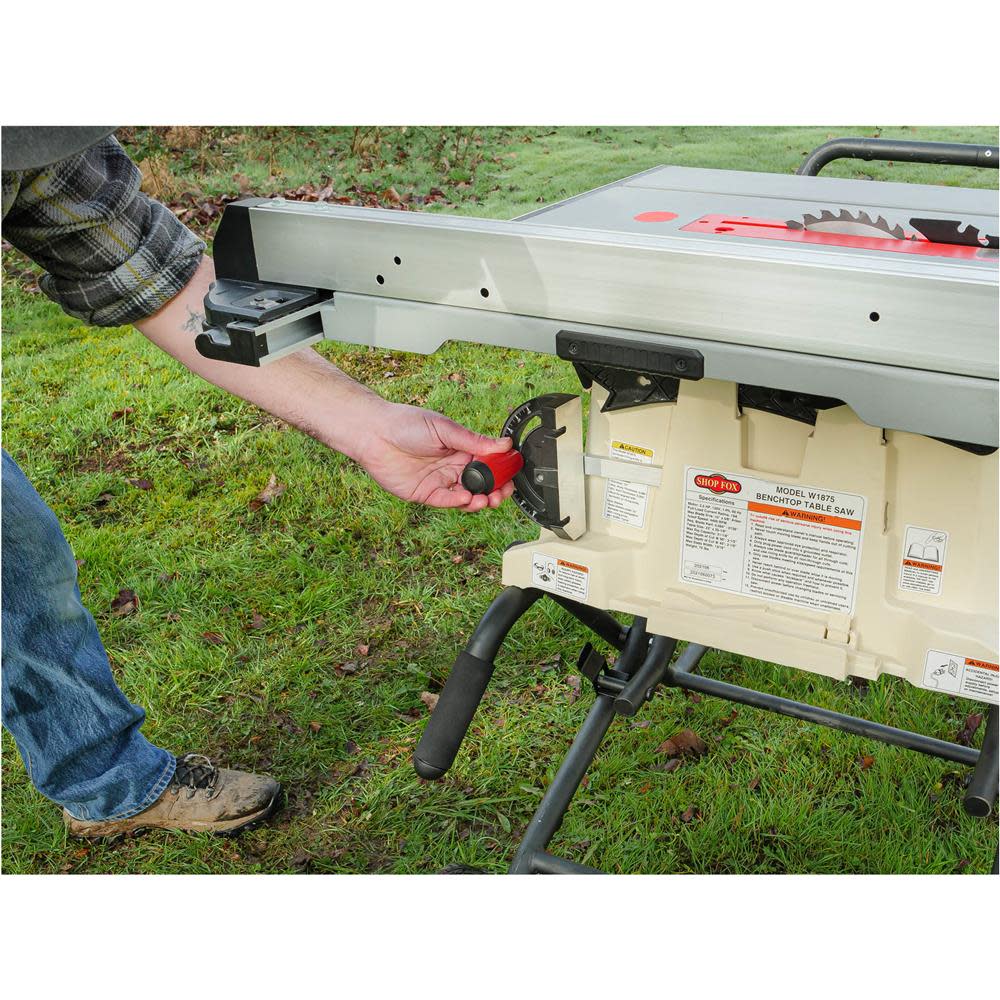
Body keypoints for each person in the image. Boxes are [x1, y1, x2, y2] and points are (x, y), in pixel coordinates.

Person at [1, 127, 515, 839]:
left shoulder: (29, 143)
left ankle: (105, 783)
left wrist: (370, 427)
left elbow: (155, 279)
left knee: (19, 558)